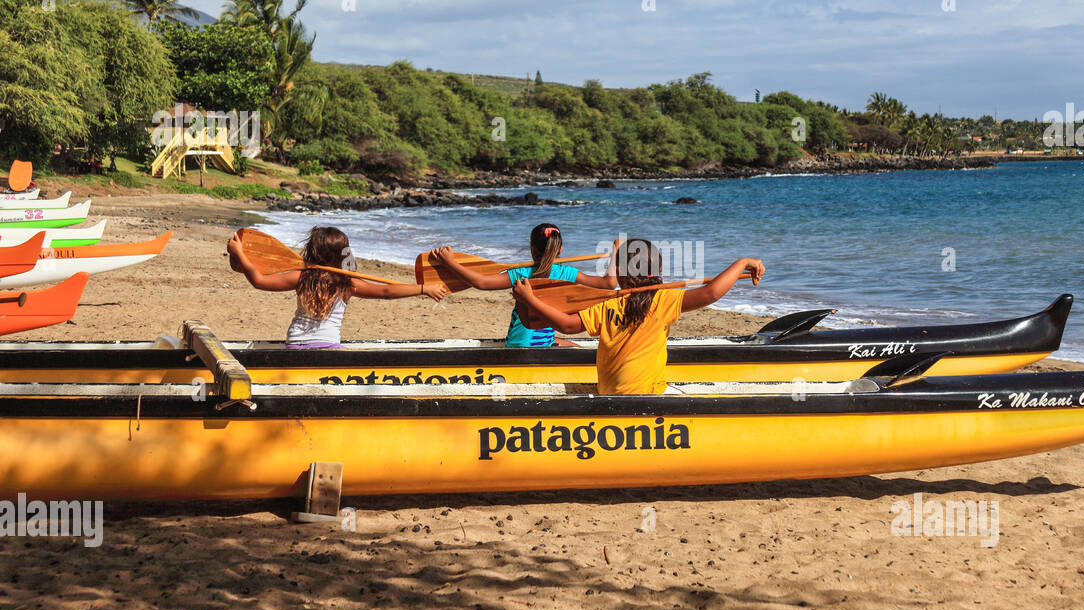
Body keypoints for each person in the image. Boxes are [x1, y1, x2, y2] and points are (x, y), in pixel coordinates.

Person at [511, 237, 765, 394]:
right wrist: (741, 262)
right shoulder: (663, 300)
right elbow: (710, 293)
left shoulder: (608, 303)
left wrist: (529, 300)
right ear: (657, 270)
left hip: (608, 391)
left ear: (621, 275)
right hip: (648, 393)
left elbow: (566, 326)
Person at [227, 226, 447, 349]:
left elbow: (259, 280)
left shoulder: (301, 278)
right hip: (329, 347)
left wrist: (240, 255)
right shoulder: (346, 284)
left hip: (295, 344)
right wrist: (422, 289)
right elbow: (385, 292)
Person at [431, 223, 617, 347]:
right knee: (580, 349)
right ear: (560, 249)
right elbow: (609, 284)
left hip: (521, 342)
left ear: (532, 248)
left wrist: (450, 263)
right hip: (540, 342)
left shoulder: (522, 273)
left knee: (573, 346)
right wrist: (617, 251)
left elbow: (481, 282)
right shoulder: (567, 274)